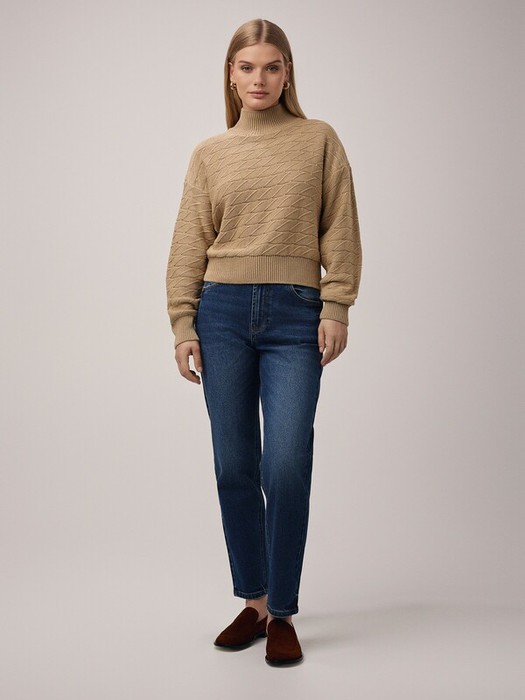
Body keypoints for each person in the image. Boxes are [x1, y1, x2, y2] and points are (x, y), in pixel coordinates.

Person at [165, 18, 362, 666]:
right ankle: (253, 602)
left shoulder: (318, 139)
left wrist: (336, 305)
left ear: (287, 74)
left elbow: (340, 228)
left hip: (295, 316)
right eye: (247, 67)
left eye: (271, 67)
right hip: (220, 314)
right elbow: (189, 242)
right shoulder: (210, 154)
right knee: (233, 465)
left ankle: (282, 611)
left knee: (285, 464)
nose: (259, 78)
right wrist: (182, 323)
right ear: (231, 75)